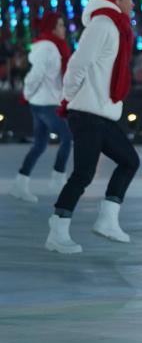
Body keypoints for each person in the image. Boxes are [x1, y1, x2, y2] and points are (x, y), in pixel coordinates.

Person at [45, 0, 139, 254]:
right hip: (87, 112)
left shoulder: (115, 27)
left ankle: (107, 219)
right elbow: (77, 65)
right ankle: (58, 229)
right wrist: (69, 96)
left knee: (129, 160)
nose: (133, 3)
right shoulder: (103, 25)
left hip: (101, 113)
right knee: (84, 173)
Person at [12, 12, 73, 203]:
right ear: (53, 28)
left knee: (39, 145)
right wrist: (27, 94)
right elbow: (35, 75)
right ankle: (57, 178)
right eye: (61, 25)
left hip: (45, 101)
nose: (64, 29)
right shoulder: (47, 47)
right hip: (44, 103)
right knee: (67, 136)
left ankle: (20, 184)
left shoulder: (53, 46)